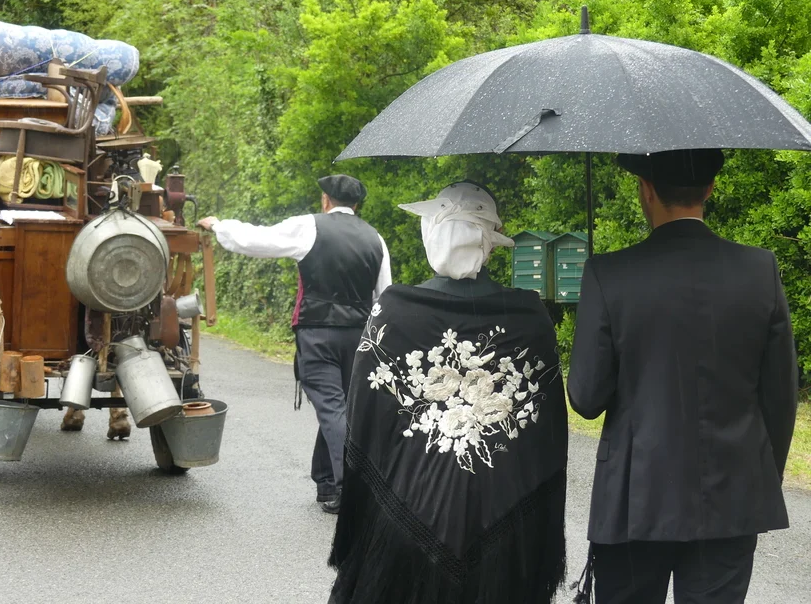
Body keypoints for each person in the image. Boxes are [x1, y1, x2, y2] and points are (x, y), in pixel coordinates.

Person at [568, 149, 799, 604]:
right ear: (709, 189)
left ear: (646, 190)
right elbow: (780, 397)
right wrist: (756, 477)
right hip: (731, 497)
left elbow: (586, 398)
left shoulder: (608, 273)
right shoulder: (760, 270)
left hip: (633, 503)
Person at [329, 181, 569, 604]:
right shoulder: (529, 314)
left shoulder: (394, 309)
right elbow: (545, 432)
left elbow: (365, 415)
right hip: (504, 518)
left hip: (406, 513)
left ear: (432, 236)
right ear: (490, 244)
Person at [198, 174, 391, 513]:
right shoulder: (375, 238)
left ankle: (351, 489)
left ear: (325, 200)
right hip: (360, 336)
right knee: (341, 407)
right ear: (357, 204)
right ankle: (327, 483)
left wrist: (218, 226)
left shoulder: (309, 226)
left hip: (317, 333)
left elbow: (257, 239)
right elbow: (383, 296)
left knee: (332, 409)